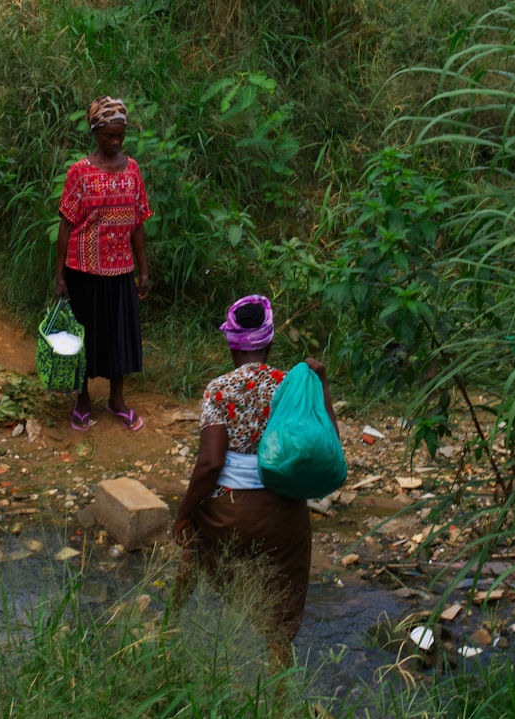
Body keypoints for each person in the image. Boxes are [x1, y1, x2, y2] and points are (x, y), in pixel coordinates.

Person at [172, 294, 338, 668]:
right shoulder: (289, 386)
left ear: (231, 345)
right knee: (283, 603)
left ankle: (168, 626)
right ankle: (277, 676)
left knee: (195, 546)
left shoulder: (218, 389)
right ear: (270, 341)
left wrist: (184, 513)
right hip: (282, 516)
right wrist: (321, 384)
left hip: (227, 514)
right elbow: (327, 441)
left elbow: (210, 463)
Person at [55, 95, 151, 432]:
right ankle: (81, 400)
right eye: (109, 135)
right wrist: (60, 276)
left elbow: (138, 223)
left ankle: (116, 400)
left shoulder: (133, 170)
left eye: (120, 136)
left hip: (121, 269)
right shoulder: (79, 173)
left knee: (119, 336)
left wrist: (143, 271)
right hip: (83, 270)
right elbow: (66, 223)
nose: (115, 141)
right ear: (95, 132)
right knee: (83, 337)